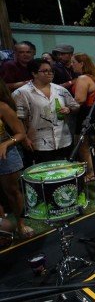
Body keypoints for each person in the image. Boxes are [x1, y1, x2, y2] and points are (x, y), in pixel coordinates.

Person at [0, 79, 33, 238]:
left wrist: (6, 144)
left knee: (13, 192)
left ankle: (21, 224)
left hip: (5, 153)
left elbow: (20, 133)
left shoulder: (3, 107)